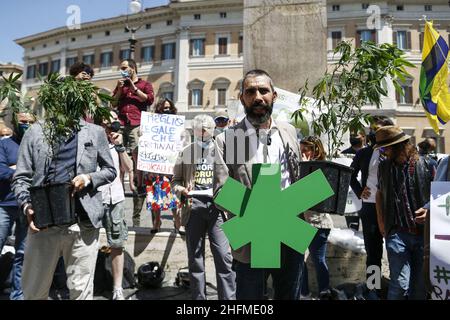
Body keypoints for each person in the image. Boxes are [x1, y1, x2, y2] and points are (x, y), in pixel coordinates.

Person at [12, 65, 116, 300]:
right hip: (42, 223)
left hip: (83, 223)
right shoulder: (36, 132)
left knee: (81, 291)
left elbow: (110, 170)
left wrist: (89, 178)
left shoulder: (95, 132)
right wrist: (27, 206)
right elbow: (21, 177)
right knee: (34, 291)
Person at [214, 69, 304, 300]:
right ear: (242, 97)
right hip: (252, 235)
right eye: (250, 91)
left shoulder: (289, 131)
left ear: (274, 96)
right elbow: (221, 190)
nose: (258, 97)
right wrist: (261, 211)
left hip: (290, 231)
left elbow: (297, 177)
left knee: (288, 295)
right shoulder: (230, 138)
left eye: (263, 91)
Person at [172, 114, 236, 300]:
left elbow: (233, 177)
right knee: (195, 258)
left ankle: (228, 300)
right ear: (194, 131)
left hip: (218, 207)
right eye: (199, 130)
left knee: (224, 256)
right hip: (193, 206)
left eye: (206, 130)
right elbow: (175, 180)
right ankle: (199, 299)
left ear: (213, 130)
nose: (203, 133)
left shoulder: (222, 150)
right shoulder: (186, 152)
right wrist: (181, 189)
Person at [375, 126, 435, 300]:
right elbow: (379, 193)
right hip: (397, 233)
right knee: (400, 284)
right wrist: (381, 222)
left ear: (399, 146)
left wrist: (429, 209)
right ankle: (376, 290)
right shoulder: (384, 167)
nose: (384, 153)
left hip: (423, 235)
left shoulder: (427, 164)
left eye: (385, 149)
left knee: (419, 288)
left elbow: (442, 194)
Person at [349, 115, 394, 299]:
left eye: (378, 129)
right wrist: (360, 191)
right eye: (372, 129)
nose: (373, 132)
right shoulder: (363, 153)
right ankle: (373, 288)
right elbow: (350, 175)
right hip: (369, 207)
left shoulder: (394, 151)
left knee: (396, 249)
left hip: (392, 208)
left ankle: (397, 287)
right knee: (373, 251)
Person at [113, 59, 154, 227]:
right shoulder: (120, 85)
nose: (122, 70)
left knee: (138, 169)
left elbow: (149, 100)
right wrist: (119, 89)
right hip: (122, 124)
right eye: (121, 68)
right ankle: (118, 214)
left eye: (124, 68)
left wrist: (132, 87)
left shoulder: (145, 84)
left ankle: (136, 217)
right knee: (117, 165)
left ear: (133, 68)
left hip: (137, 125)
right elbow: (113, 103)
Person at [0, 112, 35, 300]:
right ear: (15, 123)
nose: (26, 125)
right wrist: (20, 172)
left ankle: (18, 294)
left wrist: (15, 168)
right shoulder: (3, 144)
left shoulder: (35, 144)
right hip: (4, 204)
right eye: (23, 121)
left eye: (30, 122)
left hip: (27, 205)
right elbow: (1, 170)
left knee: (23, 252)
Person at [98, 111, 132, 300]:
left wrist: (120, 147)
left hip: (115, 197)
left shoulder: (117, 145)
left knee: (117, 243)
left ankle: (117, 287)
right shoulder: (92, 142)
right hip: (94, 198)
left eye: (113, 124)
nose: (110, 128)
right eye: (107, 124)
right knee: (87, 242)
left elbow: (128, 168)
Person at [140, 99, 183, 233]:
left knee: (174, 195)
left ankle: (178, 221)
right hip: (155, 165)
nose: (166, 110)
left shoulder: (177, 125)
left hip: (172, 166)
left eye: (168, 108)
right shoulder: (152, 125)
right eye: (164, 108)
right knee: (155, 194)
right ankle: (157, 222)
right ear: (159, 109)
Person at [299, 136, 334, 300]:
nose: (302, 153)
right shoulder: (301, 167)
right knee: (299, 258)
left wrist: (306, 167)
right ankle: (304, 292)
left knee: (318, 259)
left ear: (316, 150)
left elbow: (315, 194)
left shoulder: (324, 168)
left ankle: (324, 292)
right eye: (301, 149)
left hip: (319, 222)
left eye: (305, 149)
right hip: (300, 220)